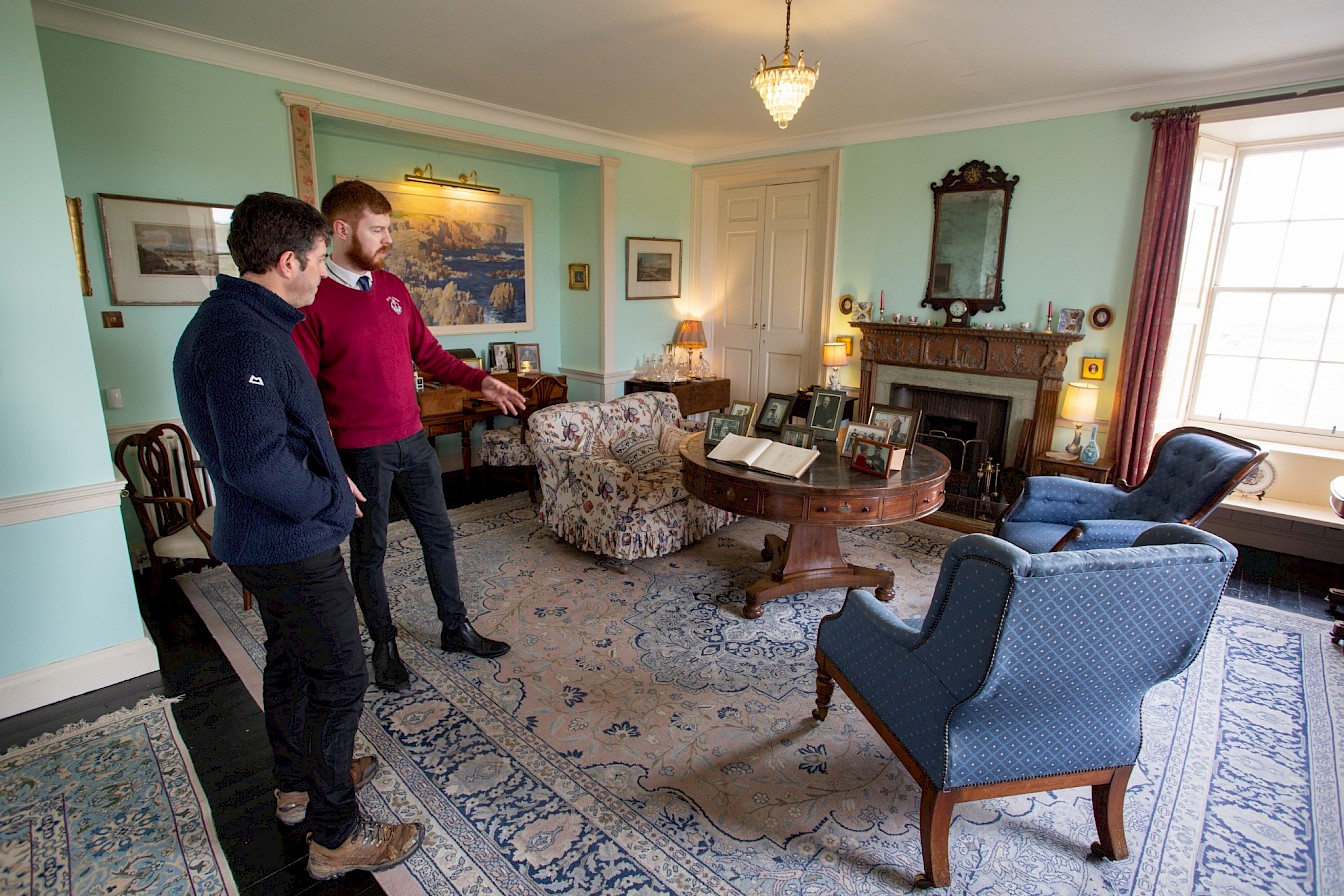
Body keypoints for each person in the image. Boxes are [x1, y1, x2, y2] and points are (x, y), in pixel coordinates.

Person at [173, 192, 422, 880]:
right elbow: (256, 461)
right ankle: (336, 836)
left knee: (289, 663)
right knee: (341, 676)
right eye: (315, 260)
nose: (321, 273)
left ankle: (296, 787)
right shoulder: (241, 337)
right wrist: (328, 497)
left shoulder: (241, 319)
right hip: (288, 541)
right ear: (287, 261)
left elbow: (270, 436)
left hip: (272, 538)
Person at [294, 179, 526, 691]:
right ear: (341, 229)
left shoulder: (394, 289)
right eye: (377, 230)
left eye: (388, 229)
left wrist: (483, 381)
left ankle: (455, 627)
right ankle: (384, 645)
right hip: (359, 452)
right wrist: (329, 465)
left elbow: (431, 355)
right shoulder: (313, 300)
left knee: (439, 536)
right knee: (370, 552)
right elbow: (305, 394)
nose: (387, 239)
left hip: (413, 441)